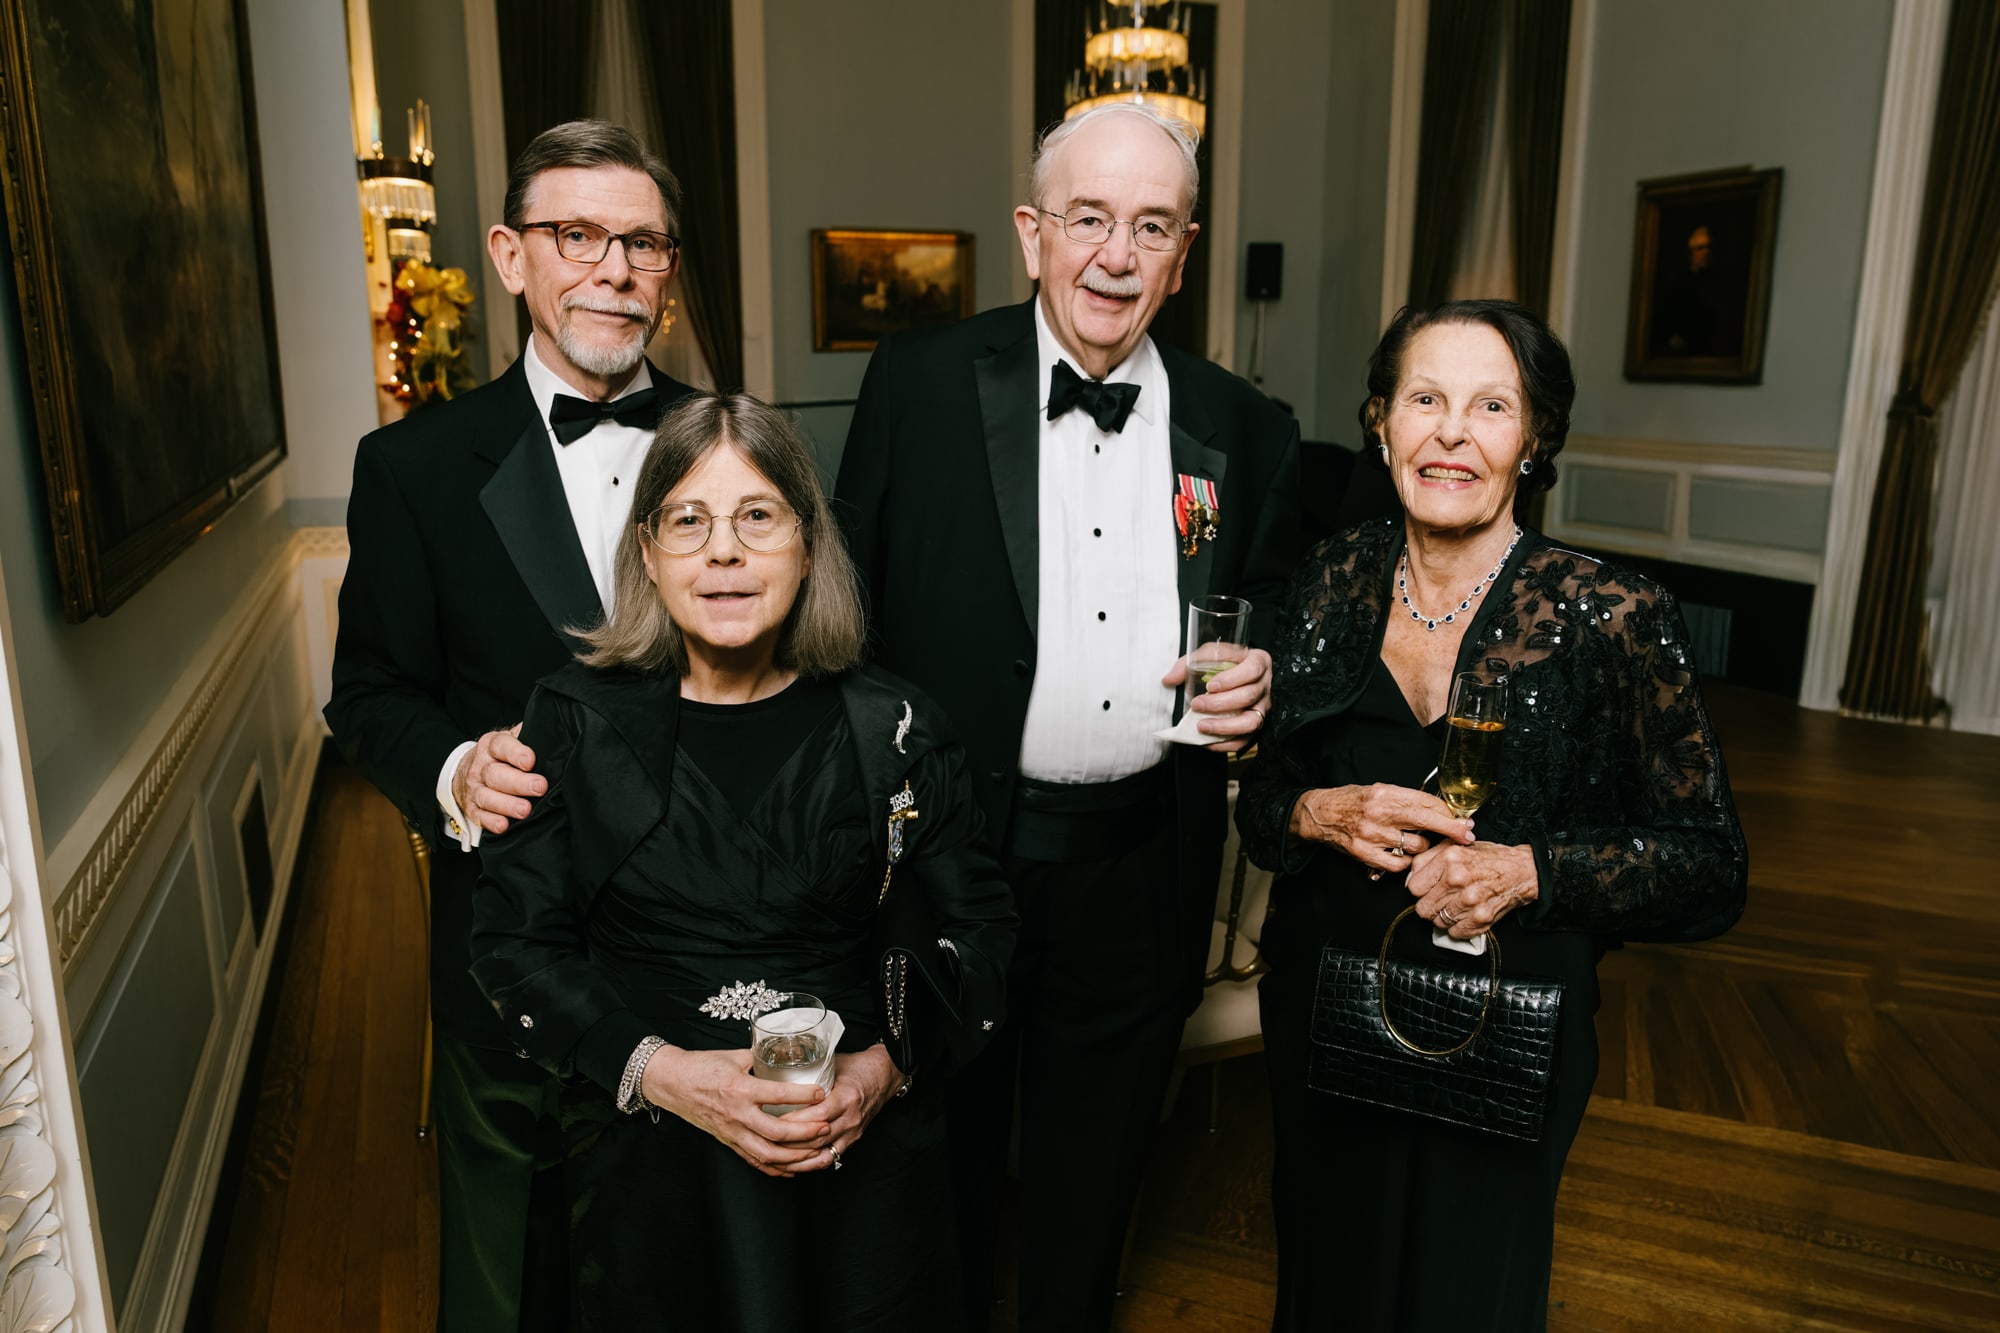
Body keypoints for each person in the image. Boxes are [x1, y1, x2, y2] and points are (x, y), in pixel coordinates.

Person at [837, 102, 1303, 1331]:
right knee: (939, 1157)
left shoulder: (1242, 426)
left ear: (1182, 256)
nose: (1114, 255)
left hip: (1144, 865)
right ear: (1031, 232)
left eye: (1149, 227)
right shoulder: (919, 383)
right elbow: (846, 620)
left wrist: (1259, 682)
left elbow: (1266, 610)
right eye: (1087, 217)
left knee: (1094, 1175)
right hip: (956, 860)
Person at [1236, 299, 1748, 1330]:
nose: (1452, 433)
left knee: (1466, 1294)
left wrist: (1528, 872)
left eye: (1491, 406)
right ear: (1382, 422)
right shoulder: (1330, 577)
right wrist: (1316, 813)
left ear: (1534, 437)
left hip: (1504, 1028)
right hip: (1325, 1012)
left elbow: (1709, 866)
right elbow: (1261, 806)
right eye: (1425, 399)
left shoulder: (1612, 615)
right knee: (1327, 1282)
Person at [468, 392, 1016, 1329]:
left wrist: (879, 1073)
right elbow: (515, 949)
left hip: (858, 1165)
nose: (723, 550)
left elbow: (985, 931)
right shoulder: (572, 720)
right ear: (648, 552)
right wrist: (666, 1074)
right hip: (649, 1166)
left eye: (758, 515)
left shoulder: (897, 729)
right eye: (689, 520)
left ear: (808, 544)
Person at [325, 119, 697, 1330]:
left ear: (668, 270)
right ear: (508, 255)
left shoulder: (733, 446)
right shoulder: (414, 467)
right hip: (514, 943)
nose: (613, 269)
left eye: (641, 242)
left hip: (709, 935)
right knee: (509, 1271)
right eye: (577, 235)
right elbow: (367, 693)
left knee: (696, 1253)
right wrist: (452, 768)